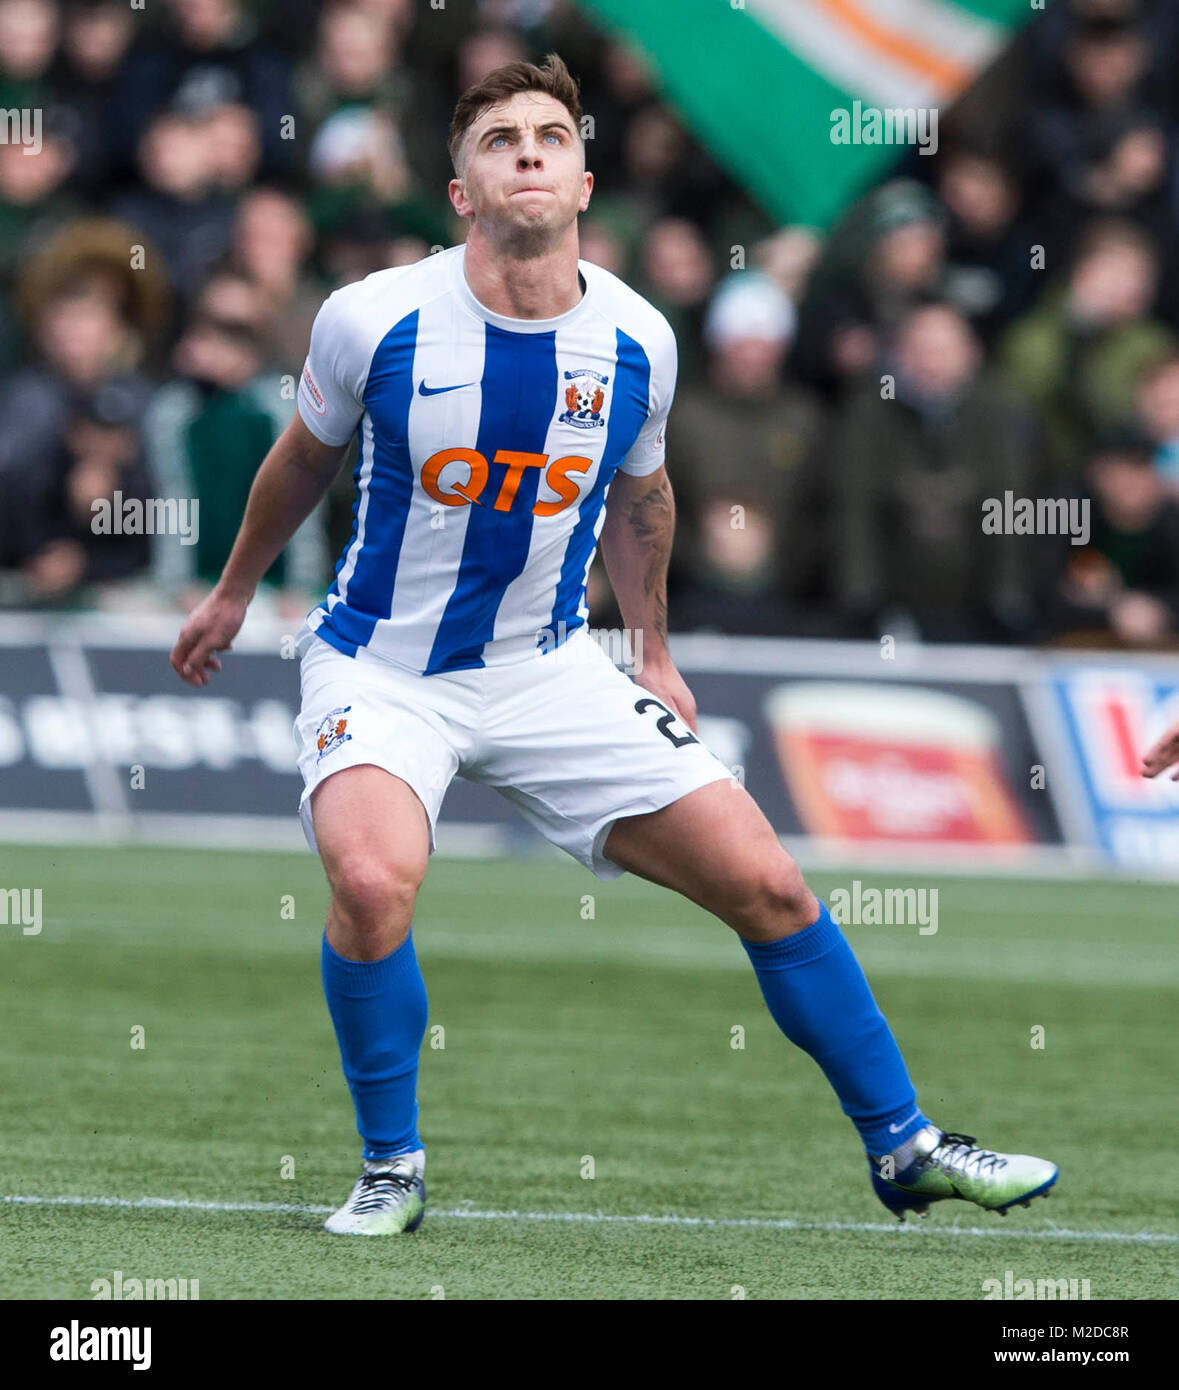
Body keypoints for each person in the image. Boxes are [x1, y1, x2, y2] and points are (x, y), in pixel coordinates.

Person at [169, 54, 1057, 1236]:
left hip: (550, 666)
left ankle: (906, 1146)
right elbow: (302, 458)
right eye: (500, 141)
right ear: (461, 192)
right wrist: (231, 593)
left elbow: (646, 498)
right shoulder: (370, 317)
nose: (529, 152)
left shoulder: (638, 337)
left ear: (587, 178)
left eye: (550, 136)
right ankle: (391, 1166)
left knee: (773, 884)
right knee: (373, 883)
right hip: (382, 667)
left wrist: (653, 647)